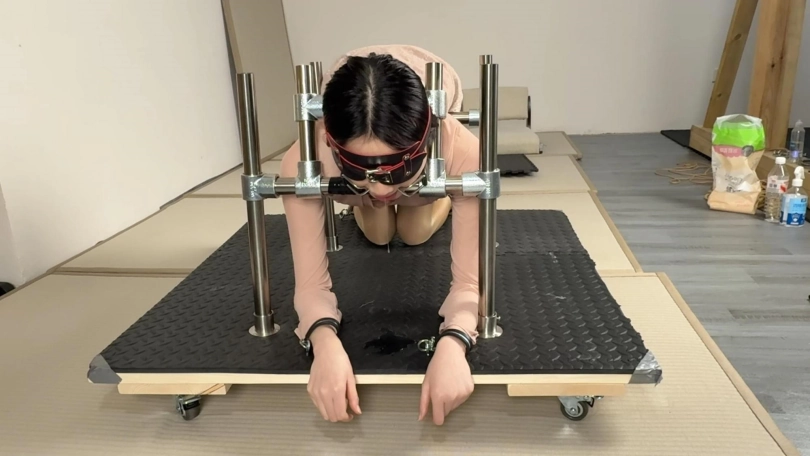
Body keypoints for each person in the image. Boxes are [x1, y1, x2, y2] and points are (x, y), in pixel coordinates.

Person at [279, 45, 481, 426]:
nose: (380, 187)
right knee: (379, 232)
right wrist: (323, 343)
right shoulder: (305, 160)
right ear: (331, 144)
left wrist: (454, 343)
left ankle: (430, 198)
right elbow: (309, 285)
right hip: (362, 132)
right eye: (360, 171)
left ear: (429, 139)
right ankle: (378, 194)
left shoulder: (461, 149)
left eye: (395, 170)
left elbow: (469, 283)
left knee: (414, 232)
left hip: (432, 100)